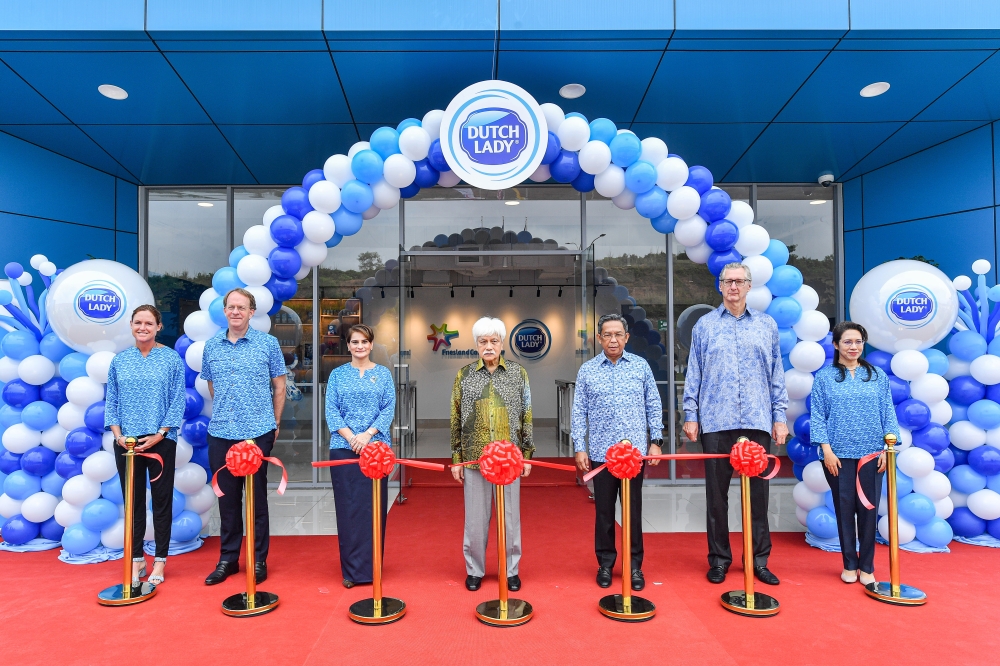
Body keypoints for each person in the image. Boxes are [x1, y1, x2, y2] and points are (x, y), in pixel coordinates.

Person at [683, 262, 788, 586]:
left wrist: (780, 417)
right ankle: (719, 560)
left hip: (756, 420)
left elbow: (777, 374)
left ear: (749, 286)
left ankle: (758, 560)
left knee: (758, 497)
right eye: (728, 281)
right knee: (717, 497)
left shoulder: (766, 325)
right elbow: (694, 371)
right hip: (716, 421)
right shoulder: (705, 326)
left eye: (740, 281)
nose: (733, 287)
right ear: (720, 285)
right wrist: (691, 414)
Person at [200, 288, 286, 586]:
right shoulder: (212, 346)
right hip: (221, 432)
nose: (236, 312)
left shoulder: (268, 344)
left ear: (252, 312)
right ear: (225, 311)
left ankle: (259, 560)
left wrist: (274, 423)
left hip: (257, 433)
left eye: (242, 307)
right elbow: (212, 385)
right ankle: (228, 559)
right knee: (227, 500)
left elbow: (279, 386)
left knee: (256, 499)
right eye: (231, 307)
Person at [572, 313, 663, 591]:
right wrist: (579, 446)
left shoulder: (640, 366)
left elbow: (653, 404)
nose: (613, 340)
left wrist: (656, 440)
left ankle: (634, 566)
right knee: (604, 512)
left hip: (633, 455)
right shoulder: (588, 370)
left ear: (627, 337)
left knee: (632, 512)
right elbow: (579, 411)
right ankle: (605, 564)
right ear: (599, 338)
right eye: (608, 335)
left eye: (618, 334)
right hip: (601, 454)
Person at [810, 322, 897, 586]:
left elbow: (888, 412)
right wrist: (826, 450)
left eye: (858, 341)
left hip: (872, 455)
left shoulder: (877, 375)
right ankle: (849, 564)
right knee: (844, 509)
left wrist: (887, 450)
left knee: (869, 511)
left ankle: (867, 567)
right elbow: (818, 415)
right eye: (847, 342)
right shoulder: (824, 377)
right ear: (836, 345)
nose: (853, 347)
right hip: (836, 456)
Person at [105, 304, 186, 586]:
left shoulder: (171, 358)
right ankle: (137, 558)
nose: (143, 328)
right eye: (138, 322)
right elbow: (112, 400)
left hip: (160, 440)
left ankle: (160, 560)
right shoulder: (120, 360)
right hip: (126, 443)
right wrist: (117, 435)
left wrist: (161, 433)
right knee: (133, 502)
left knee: (161, 501)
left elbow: (178, 399)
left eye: (149, 323)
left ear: (158, 327)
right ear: (131, 325)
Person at [451, 317, 533, 592]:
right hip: (475, 458)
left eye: (494, 341)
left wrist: (527, 454)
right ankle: (475, 570)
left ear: (502, 343)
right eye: (483, 341)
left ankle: (511, 570)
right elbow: (455, 417)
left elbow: (527, 414)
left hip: (510, 460)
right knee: (475, 520)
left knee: (510, 519)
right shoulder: (464, 375)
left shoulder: (518, 373)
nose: (488, 346)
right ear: (476, 344)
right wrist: (457, 459)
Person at [324, 324, 395, 588]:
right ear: (348, 345)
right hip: (343, 448)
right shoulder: (337, 375)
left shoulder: (383, 374)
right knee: (348, 509)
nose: (360, 346)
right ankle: (352, 572)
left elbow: (388, 409)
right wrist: (351, 437)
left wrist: (367, 435)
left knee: (372, 509)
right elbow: (331, 410)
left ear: (372, 344)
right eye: (355, 342)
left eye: (364, 341)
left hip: (376, 449)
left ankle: (372, 568)